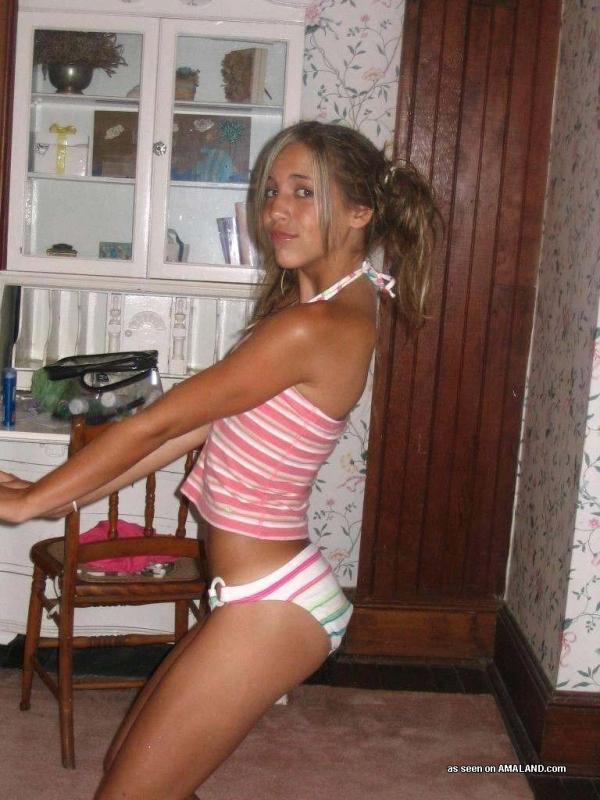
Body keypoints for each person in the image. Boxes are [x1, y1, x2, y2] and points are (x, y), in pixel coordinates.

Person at [0, 120, 440, 799]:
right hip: (256, 596)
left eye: (303, 192)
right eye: (271, 191)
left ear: (360, 211)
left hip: (274, 605)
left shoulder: (315, 327)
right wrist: (59, 495)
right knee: (131, 769)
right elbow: (185, 433)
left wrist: (33, 501)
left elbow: (159, 421)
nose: (276, 211)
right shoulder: (320, 312)